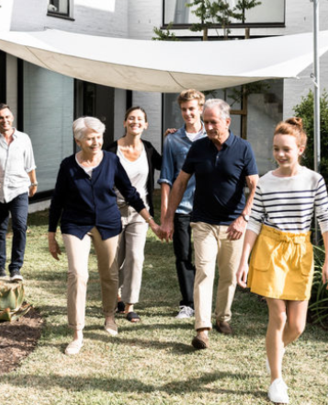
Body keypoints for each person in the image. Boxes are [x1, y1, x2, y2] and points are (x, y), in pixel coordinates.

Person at [235, 117, 328, 404]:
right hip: (270, 248)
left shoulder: (314, 180)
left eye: (286, 149)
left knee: (297, 326)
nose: (280, 154)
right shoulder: (265, 182)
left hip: (301, 251)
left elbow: (325, 221)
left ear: (300, 149)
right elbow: (254, 222)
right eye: (276, 149)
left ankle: (273, 354)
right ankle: (276, 380)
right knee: (278, 317)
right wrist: (243, 261)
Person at [48, 116, 158, 356]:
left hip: (108, 223)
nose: (96, 141)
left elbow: (129, 192)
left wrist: (149, 220)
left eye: (99, 136)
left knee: (109, 273)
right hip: (75, 224)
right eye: (90, 137)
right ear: (78, 140)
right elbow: (57, 200)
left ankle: (109, 316)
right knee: (77, 273)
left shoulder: (111, 161)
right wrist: (50, 234)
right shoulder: (68, 166)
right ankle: (77, 333)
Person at [161, 98, 259, 351]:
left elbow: (255, 187)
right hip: (203, 222)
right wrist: (169, 216)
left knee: (228, 276)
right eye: (205, 122)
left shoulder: (243, 148)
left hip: (233, 225)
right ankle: (202, 329)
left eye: (213, 122)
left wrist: (244, 217)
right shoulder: (198, 148)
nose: (208, 127)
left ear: (227, 121)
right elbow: (180, 182)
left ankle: (223, 318)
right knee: (204, 272)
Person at [104, 106, 163, 323]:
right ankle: (116, 296)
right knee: (114, 260)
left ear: (146, 125)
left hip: (141, 212)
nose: (135, 122)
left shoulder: (148, 149)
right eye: (131, 118)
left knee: (136, 257)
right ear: (124, 122)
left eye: (140, 119)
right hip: (114, 211)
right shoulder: (111, 150)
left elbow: (166, 165)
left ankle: (129, 305)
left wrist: (175, 140)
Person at [158, 89, 207, 319]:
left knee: (204, 259)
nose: (188, 113)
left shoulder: (213, 137)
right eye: (184, 109)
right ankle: (188, 304)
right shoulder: (172, 140)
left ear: (200, 109)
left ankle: (202, 302)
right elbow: (166, 178)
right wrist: (166, 215)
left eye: (192, 109)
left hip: (207, 209)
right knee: (183, 257)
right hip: (181, 209)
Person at [0, 104, 37, 281]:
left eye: (7, 117)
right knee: (0, 229)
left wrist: (34, 182)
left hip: (19, 189)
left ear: (12, 118)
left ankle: (16, 268)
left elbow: (30, 164)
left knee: (20, 226)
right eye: (1, 118)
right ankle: (0, 267)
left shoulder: (24, 139)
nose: (5, 120)